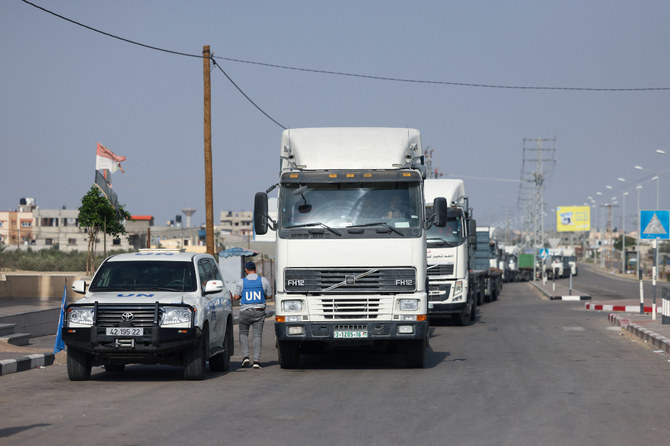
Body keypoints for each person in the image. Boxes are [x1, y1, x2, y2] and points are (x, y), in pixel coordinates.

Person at [233, 261, 273, 368]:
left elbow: (236, 297)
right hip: (259, 312)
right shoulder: (263, 280)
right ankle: (256, 361)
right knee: (257, 335)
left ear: (246, 270)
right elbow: (269, 295)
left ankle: (245, 357)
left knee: (243, 334)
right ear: (255, 269)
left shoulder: (242, 282)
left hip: (245, 312)